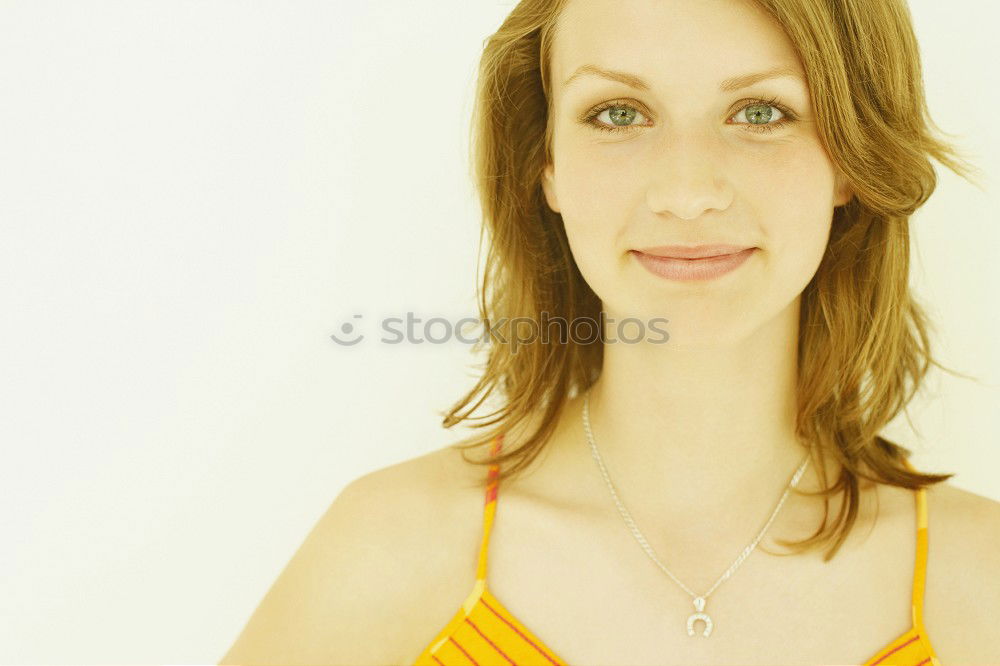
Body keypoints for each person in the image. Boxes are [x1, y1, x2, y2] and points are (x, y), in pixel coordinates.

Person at [220, 0, 1000, 664]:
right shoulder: (391, 544)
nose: (688, 192)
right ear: (545, 165)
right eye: (618, 114)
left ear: (852, 164)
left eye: (762, 112)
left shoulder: (981, 581)